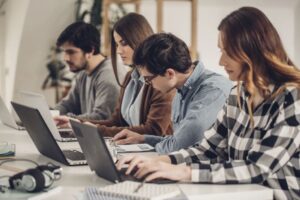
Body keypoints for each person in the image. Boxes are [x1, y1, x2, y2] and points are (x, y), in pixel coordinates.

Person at [116, 7, 300, 200]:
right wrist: (161, 161)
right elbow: (208, 149)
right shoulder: (237, 95)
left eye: (227, 52)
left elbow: (258, 168)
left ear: (250, 51)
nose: (221, 61)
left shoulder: (292, 98)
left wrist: (184, 172)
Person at [55, 13, 174, 137]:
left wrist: (96, 130)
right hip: (132, 149)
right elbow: (117, 121)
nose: (118, 51)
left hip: (155, 153)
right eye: (117, 44)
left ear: (139, 39)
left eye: (124, 43)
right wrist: (76, 123)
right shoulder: (130, 77)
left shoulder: (161, 78)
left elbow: (154, 130)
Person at [113, 33, 232, 153]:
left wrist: (147, 151)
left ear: (170, 74)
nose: (147, 84)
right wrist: (143, 139)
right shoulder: (180, 89)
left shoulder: (213, 91)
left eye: (148, 79)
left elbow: (180, 146)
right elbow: (177, 140)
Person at [55, 21, 125, 120]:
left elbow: (102, 118)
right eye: (64, 52)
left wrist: (67, 120)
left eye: (71, 52)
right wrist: (50, 115)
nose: (65, 58)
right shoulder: (83, 73)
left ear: (90, 50)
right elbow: (67, 105)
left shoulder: (109, 76)